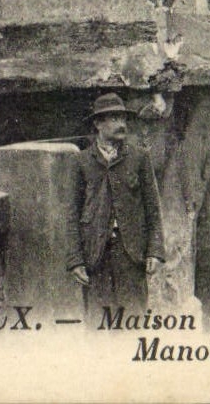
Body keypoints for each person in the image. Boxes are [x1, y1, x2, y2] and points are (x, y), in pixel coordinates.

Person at [65, 92, 165, 316]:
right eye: (114, 118)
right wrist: (75, 260)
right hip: (95, 256)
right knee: (98, 326)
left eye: (123, 118)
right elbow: (72, 214)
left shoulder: (139, 157)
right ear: (98, 123)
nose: (121, 124)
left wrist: (155, 251)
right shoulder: (81, 162)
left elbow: (153, 208)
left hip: (131, 254)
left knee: (133, 322)